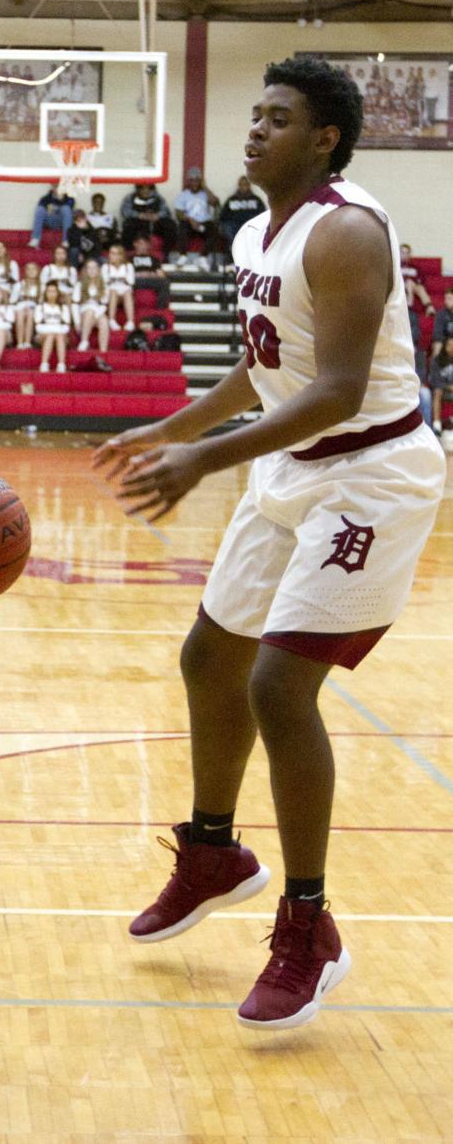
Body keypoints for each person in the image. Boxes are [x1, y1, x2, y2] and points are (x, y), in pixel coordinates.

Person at [95, 56, 446, 1031]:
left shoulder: (347, 231)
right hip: (294, 468)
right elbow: (263, 373)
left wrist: (202, 463)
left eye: (278, 116)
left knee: (278, 686)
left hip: (371, 472)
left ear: (325, 137)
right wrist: (174, 427)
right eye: (254, 113)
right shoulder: (256, 230)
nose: (255, 129)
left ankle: (310, 924)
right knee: (210, 656)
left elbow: (334, 389)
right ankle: (214, 853)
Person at [173, 167, 219, 261]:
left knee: (214, 230)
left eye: (197, 180)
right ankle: (183, 256)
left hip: (204, 223)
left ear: (201, 181)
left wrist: (205, 187)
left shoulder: (205, 193)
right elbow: (178, 214)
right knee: (182, 227)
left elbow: (215, 203)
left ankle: (203, 257)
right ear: (189, 181)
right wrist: (190, 219)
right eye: (192, 180)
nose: (194, 183)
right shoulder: (183, 195)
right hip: (189, 223)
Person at [120, 181, 177, 249]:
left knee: (170, 225)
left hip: (155, 222)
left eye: (149, 189)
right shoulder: (130, 197)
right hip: (139, 221)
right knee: (128, 225)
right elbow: (125, 211)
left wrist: (158, 215)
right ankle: (129, 251)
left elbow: (165, 211)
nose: (146, 191)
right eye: (142, 189)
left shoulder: (158, 197)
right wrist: (139, 215)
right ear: (138, 189)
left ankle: (167, 252)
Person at [35, 281, 72, 373]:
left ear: (57, 293)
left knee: (58, 336)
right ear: (45, 293)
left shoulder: (63, 308)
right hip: (43, 335)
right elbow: (38, 326)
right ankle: (44, 364)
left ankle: (61, 364)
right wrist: (54, 329)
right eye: (49, 291)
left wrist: (53, 329)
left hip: (60, 334)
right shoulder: (40, 307)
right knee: (51, 335)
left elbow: (66, 326)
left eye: (54, 291)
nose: (51, 294)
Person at [73, 258, 109, 351]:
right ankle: (84, 341)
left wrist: (96, 314)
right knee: (89, 311)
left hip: (98, 312)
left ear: (98, 270)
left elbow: (104, 304)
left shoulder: (104, 285)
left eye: (94, 268)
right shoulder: (79, 284)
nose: (92, 270)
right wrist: (77, 322)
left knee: (104, 321)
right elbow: (75, 305)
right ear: (85, 270)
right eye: (89, 268)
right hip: (84, 311)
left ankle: (103, 351)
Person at [219, 175, 265, 245]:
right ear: (239, 186)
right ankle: (234, 248)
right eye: (241, 185)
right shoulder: (231, 199)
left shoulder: (256, 200)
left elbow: (263, 216)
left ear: (249, 186)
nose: (243, 187)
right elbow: (223, 216)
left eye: (245, 184)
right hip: (235, 225)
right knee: (227, 227)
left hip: (250, 226)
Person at [131, 232, 170, 309]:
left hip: (150, 280)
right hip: (135, 280)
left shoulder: (154, 259)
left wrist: (149, 274)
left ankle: (160, 309)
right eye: (140, 243)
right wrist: (140, 274)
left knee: (165, 282)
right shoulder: (129, 258)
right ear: (135, 244)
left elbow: (161, 274)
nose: (143, 246)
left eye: (145, 244)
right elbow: (125, 273)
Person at [103, 242, 136, 332]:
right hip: (111, 293)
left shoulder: (128, 266)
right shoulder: (106, 267)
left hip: (124, 292)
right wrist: (119, 279)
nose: (110, 255)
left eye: (113, 253)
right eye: (110, 253)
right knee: (113, 291)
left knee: (127, 292)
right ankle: (112, 320)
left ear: (120, 256)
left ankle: (130, 321)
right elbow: (104, 282)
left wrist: (116, 279)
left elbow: (131, 281)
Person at [12, 259, 43, 348]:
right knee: (21, 312)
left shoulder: (41, 286)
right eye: (28, 269)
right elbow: (13, 301)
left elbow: (41, 303)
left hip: (35, 309)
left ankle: (27, 342)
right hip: (20, 308)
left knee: (30, 312)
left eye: (33, 269)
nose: (31, 271)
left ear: (38, 271)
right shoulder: (19, 285)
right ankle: (20, 342)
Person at [399, 244, 435, 313]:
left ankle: (429, 307)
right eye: (402, 253)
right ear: (399, 253)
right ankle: (409, 304)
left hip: (414, 286)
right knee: (409, 282)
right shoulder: (396, 267)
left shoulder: (415, 267)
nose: (405, 255)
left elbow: (421, 279)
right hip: (401, 286)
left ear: (409, 254)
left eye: (407, 253)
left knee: (420, 288)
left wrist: (416, 283)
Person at [431, 335, 453, 433]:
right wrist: (449, 386)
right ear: (444, 346)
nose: (451, 348)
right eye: (449, 345)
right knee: (437, 391)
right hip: (441, 388)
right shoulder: (437, 360)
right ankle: (437, 425)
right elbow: (435, 380)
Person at [431, 287, 453, 362]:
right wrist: (448, 342)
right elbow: (437, 334)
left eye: (449, 299)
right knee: (437, 345)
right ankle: (434, 373)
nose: (446, 301)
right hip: (445, 342)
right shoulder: (441, 314)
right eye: (445, 299)